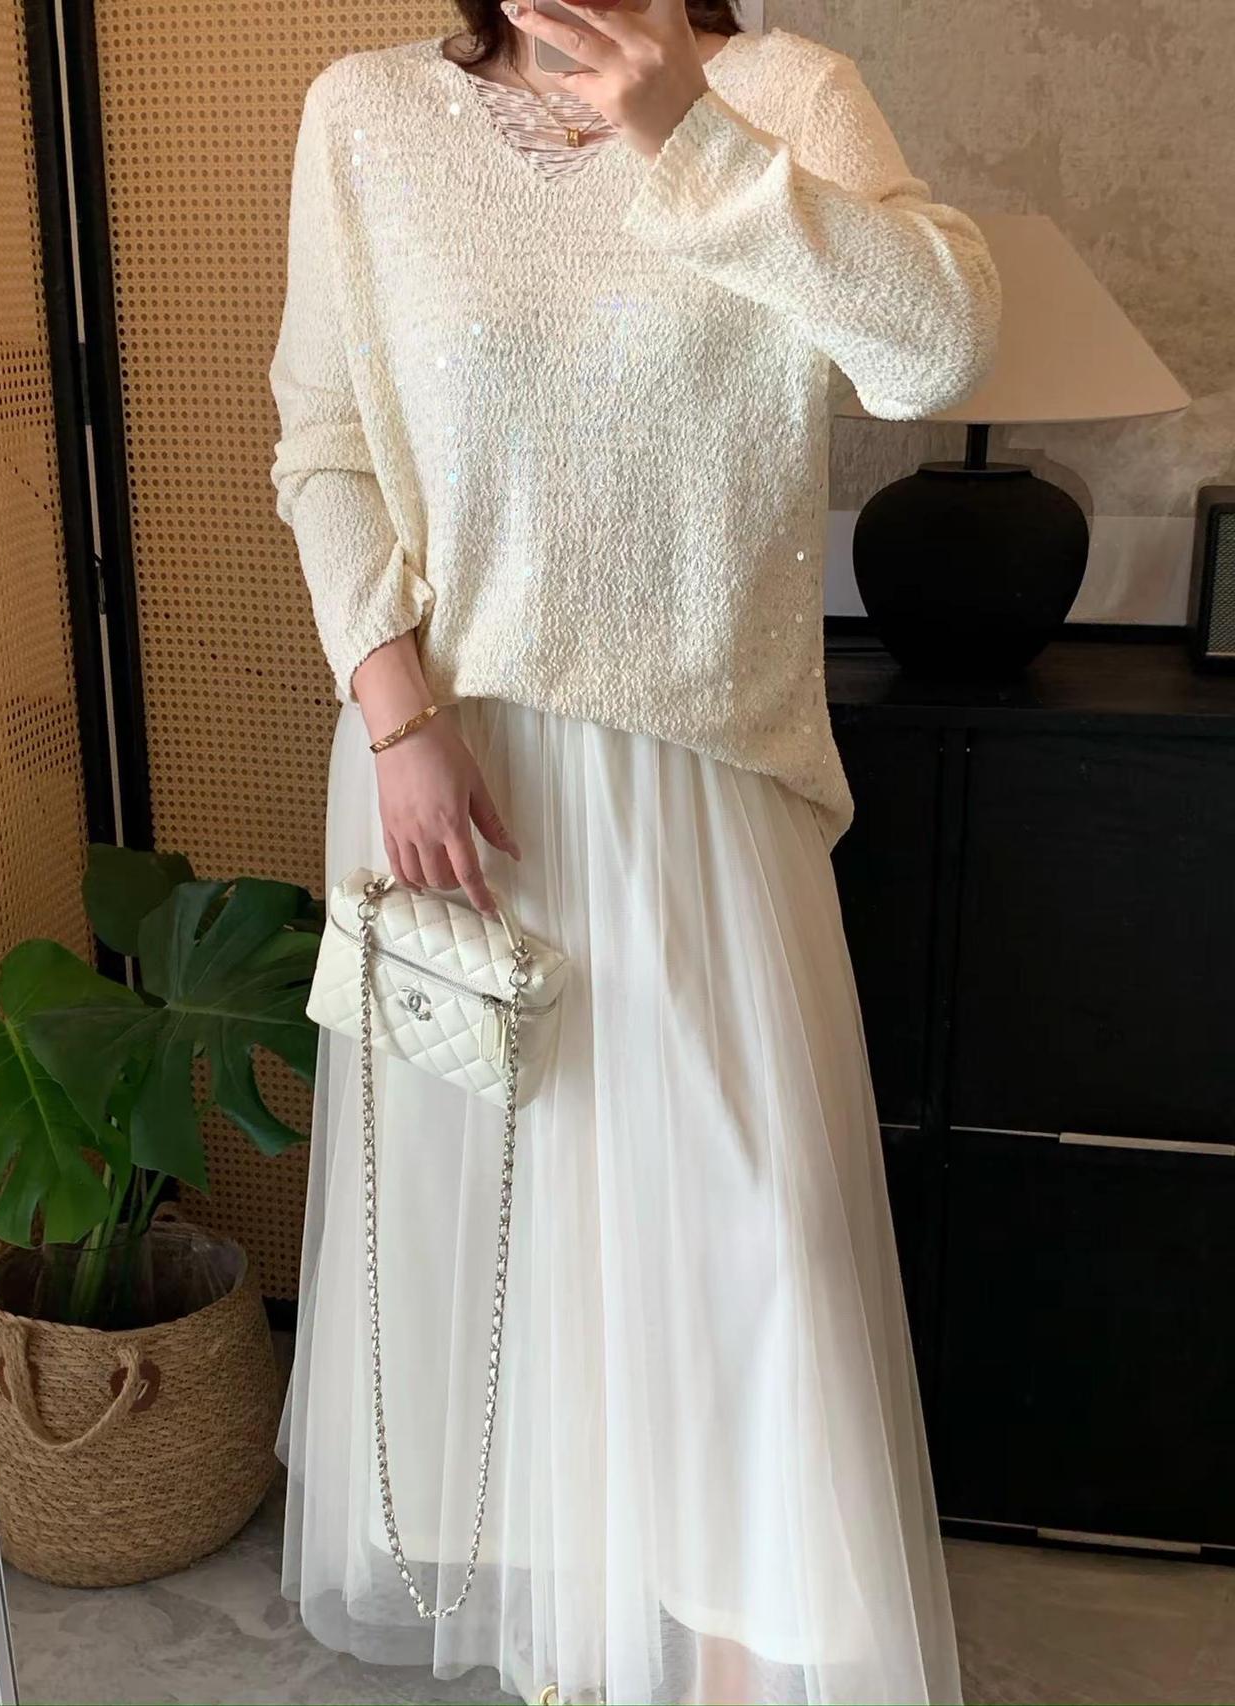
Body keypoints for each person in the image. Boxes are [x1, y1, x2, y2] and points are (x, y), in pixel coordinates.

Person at [267, 1, 1001, 1701]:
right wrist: (397, 716)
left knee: (753, 1256)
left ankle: (738, 1670)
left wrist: (694, 134)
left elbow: (939, 349)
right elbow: (323, 440)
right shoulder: (367, 116)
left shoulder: (789, 92)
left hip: (700, 789)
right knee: (525, 1257)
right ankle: (583, 1655)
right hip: (454, 782)